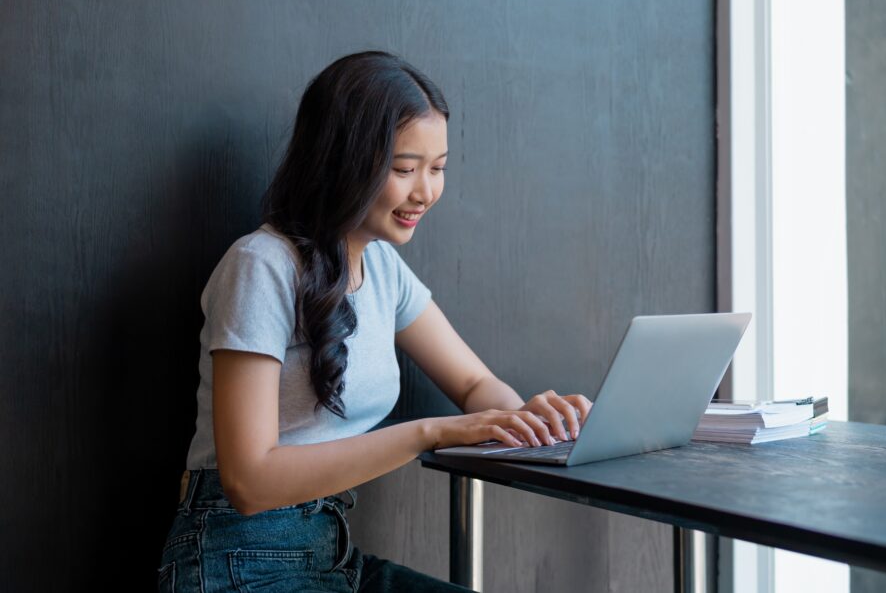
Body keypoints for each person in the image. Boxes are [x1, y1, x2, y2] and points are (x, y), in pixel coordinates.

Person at [157, 50, 593, 593]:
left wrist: (534, 421)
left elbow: (473, 383)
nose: (426, 192)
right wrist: (428, 433)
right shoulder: (260, 265)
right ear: (343, 160)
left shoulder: (382, 266)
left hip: (328, 555)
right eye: (406, 169)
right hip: (235, 559)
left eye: (438, 169)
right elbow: (248, 481)